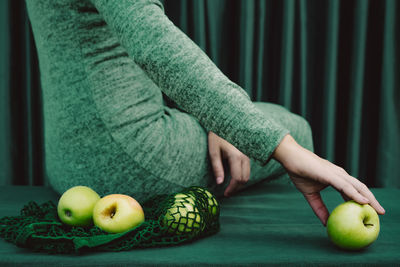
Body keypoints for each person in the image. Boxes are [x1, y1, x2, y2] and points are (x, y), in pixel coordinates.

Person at [25, 0, 385, 226]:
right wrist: (287, 149)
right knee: (298, 130)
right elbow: (156, 47)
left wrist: (213, 120)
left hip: (68, 164)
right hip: (133, 160)